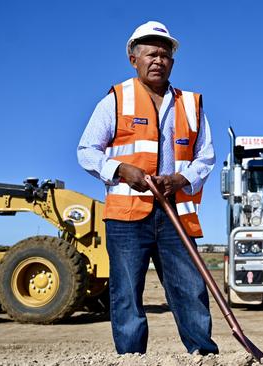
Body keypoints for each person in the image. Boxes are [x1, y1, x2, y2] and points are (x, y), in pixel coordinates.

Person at [77, 21, 218, 355]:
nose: (158, 60)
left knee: (191, 289)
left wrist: (181, 179)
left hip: (175, 216)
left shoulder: (191, 104)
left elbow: (206, 157)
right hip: (127, 218)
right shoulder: (115, 99)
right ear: (133, 59)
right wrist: (121, 169)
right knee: (126, 293)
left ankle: (202, 356)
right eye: (150, 54)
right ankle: (130, 359)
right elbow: (87, 151)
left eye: (164, 54)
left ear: (173, 61)